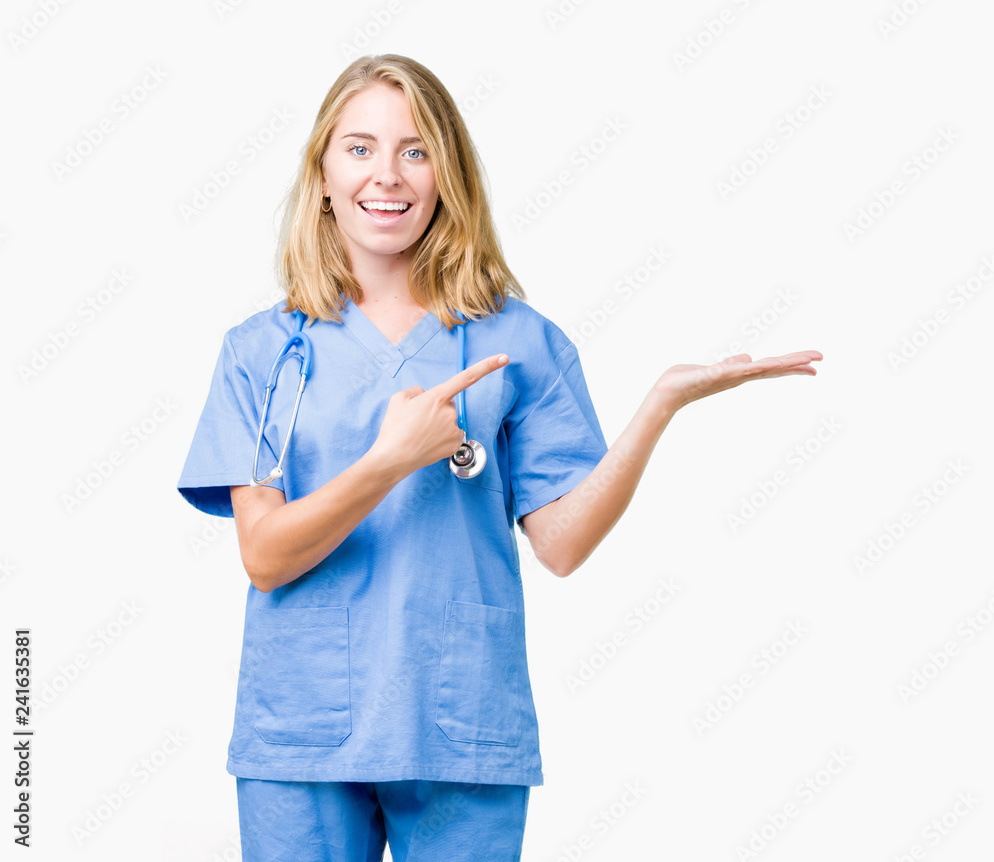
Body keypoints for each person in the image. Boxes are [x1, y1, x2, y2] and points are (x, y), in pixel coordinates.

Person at [176, 54, 822, 862]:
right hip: (303, 724)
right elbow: (265, 558)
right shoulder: (261, 352)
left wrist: (659, 406)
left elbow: (562, 545)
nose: (389, 175)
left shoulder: (520, 342)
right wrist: (390, 460)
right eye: (360, 148)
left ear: (448, 174)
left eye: (416, 150)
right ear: (323, 173)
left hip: (462, 720)